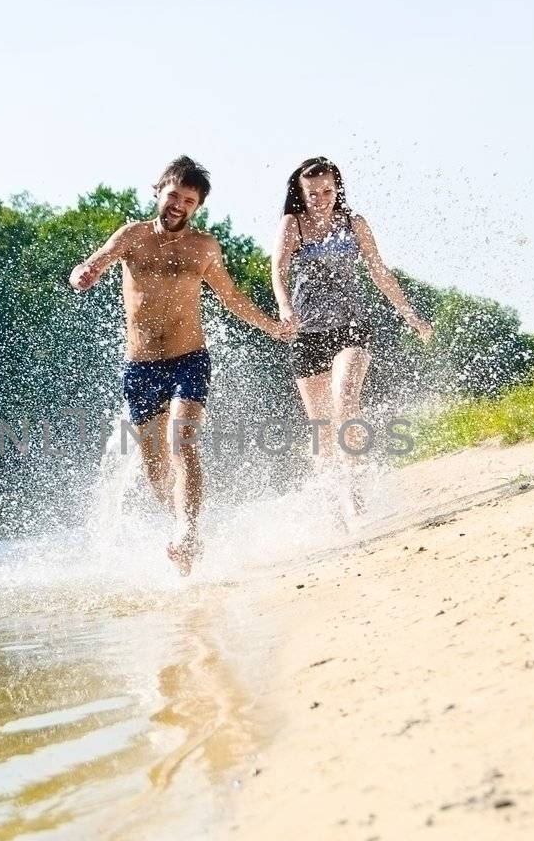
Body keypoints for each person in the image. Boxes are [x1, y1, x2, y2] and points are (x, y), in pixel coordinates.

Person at [69, 155, 295, 574]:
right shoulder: (132, 236)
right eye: (174, 195)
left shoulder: (205, 247)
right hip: (140, 367)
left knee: (182, 444)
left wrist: (271, 326)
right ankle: (181, 529)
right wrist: (83, 274)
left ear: (197, 207)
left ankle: (188, 531)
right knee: (156, 471)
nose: (179, 206)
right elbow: (93, 262)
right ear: (159, 191)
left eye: (189, 201)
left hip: (189, 359)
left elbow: (231, 297)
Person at [271, 157, 433, 524]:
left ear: (337, 188)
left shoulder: (354, 223)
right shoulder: (292, 224)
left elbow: (379, 271)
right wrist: (284, 308)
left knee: (345, 400)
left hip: (351, 325)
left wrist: (410, 315)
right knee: (320, 428)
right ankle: (331, 510)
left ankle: (355, 498)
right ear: (300, 193)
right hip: (306, 330)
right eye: (312, 193)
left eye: (327, 190)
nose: (320, 198)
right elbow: (277, 271)